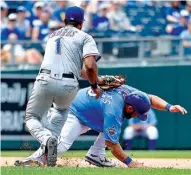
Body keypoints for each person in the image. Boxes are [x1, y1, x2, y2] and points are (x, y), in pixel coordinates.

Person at [17, 85, 187, 167]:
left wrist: (169, 107)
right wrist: (130, 163)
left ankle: (96, 155)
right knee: (61, 145)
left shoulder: (134, 95)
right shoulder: (114, 110)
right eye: (136, 113)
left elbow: (149, 98)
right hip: (76, 111)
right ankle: (31, 160)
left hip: (93, 110)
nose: (137, 116)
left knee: (112, 130)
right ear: (129, 107)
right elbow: (112, 144)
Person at [24, 6, 101, 167]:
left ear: (65, 20)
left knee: (32, 118)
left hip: (45, 79)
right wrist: (95, 84)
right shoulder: (85, 37)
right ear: (81, 23)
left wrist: (95, 78)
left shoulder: (51, 36)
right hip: (69, 84)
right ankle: (43, 154)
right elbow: (90, 66)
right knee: (60, 112)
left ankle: (45, 143)